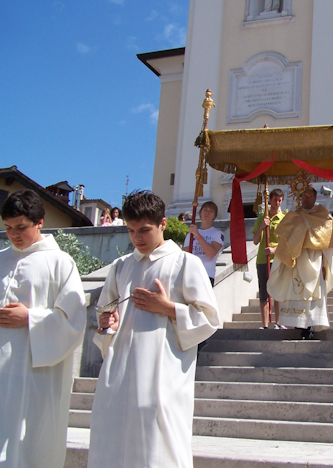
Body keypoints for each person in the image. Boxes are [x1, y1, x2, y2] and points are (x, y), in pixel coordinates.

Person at [88, 191, 220, 468]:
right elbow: (106, 315)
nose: (137, 238)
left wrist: (168, 307)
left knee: (158, 447)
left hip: (163, 377)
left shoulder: (186, 263)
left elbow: (209, 319)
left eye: (144, 230)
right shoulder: (120, 267)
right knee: (112, 442)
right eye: (131, 231)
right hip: (120, 373)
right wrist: (106, 324)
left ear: (162, 224)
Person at [0, 189, 86, 468]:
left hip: (33, 375)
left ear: (39, 223)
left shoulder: (61, 263)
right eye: (8, 228)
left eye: (21, 227)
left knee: (28, 443)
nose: (14, 235)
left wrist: (31, 318)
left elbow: (73, 321)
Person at [268, 186, 333, 339]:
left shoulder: (323, 216)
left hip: (314, 259)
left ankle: (310, 326)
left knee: (312, 293)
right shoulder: (293, 216)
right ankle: (299, 324)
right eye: (303, 196)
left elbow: (329, 238)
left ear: (314, 198)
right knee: (297, 291)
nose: (305, 199)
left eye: (308, 196)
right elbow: (283, 237)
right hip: (297, 260)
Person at [252, 189, 285, 329]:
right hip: (262, 260)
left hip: (277, 259)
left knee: (277, 291)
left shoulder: (284, 219)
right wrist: (262, 227)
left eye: (279, 200)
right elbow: (254, 240)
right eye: (275, 199)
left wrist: (274, 250)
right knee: (264, 293)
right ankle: (265, 324)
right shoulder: (262, 217)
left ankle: (278, 322)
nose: (277, 203)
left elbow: (286, 242)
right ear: (270, 200)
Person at [183, 201, 224, 287]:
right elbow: (185, 255)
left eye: (211, 211)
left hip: (206, 274)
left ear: (214, 216)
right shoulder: (190, 235)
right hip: (190, 274)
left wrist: (197, 235)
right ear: (200, 213)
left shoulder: (217, 234)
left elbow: (211, 253)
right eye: (205, 210)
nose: (207, 213)